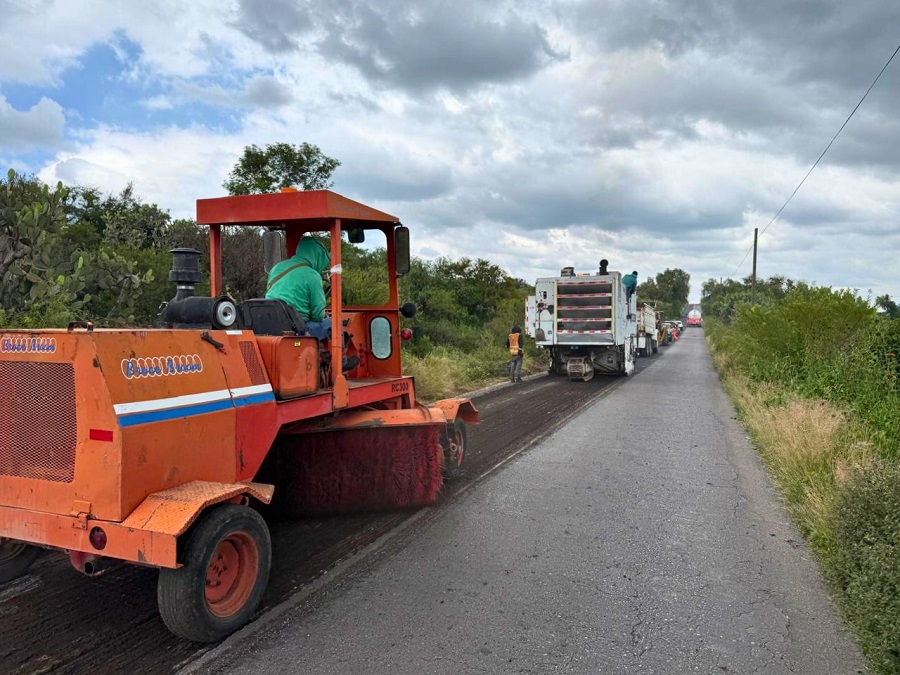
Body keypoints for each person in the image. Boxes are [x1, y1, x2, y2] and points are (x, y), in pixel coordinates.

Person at [266, 236, 358, 371]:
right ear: (317, 257)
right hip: (297, 329)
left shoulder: (277, 268)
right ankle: (341, 362)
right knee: (334, 323)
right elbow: (318, 314)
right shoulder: (312, 275)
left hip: (269, 324)